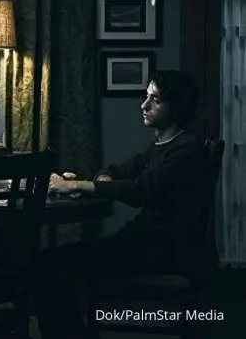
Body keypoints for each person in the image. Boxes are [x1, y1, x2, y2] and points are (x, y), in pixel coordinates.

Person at [31, 70, 207, 339]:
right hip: (142, 241)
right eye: (146, 97)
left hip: (163, 249)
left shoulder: (187, 148)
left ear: (177, 106)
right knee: (47, 263)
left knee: (46, 265)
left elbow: (140, 191)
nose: (144, 105)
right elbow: (116, 170)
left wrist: (75, 185)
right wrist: (103, 178)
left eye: (155, 100)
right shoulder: (160, 146)